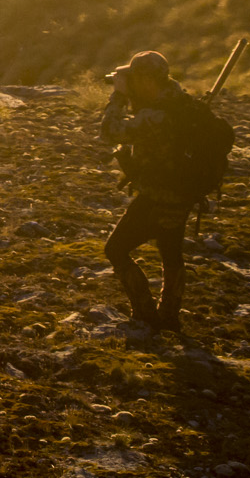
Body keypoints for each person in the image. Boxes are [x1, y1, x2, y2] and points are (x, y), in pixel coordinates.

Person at [100, 49, 230, 333]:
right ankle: (169, 316)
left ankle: (145, 313)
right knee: (171, 254)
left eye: (135, 78)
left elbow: (109, 131)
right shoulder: (182, 102)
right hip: (184, 193)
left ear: (147, 80)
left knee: (116, 250)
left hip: (159, 197)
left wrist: (119, 96)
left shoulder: (156, 116)